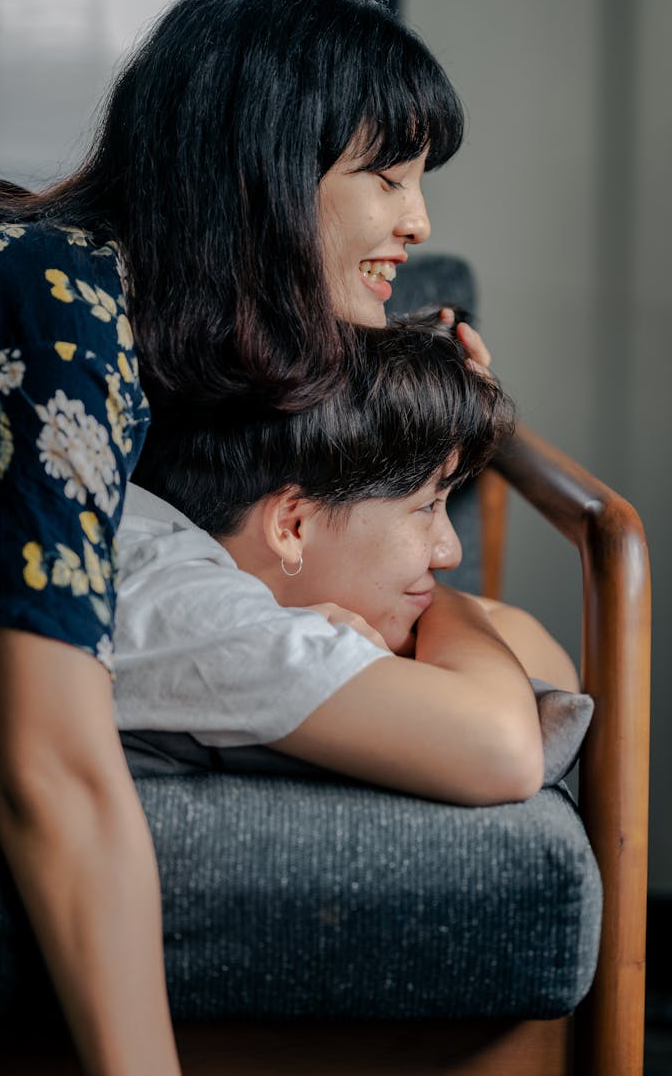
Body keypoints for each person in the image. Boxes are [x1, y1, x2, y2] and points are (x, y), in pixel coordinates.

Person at [0, 0, 492, 1074]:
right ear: (265, 169)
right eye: (387, 176)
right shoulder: (60, 303)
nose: (418, 221)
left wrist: (420, 398)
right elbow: (54, 767)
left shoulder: (147, 324)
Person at [114, 317, 576, 803]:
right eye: (426, 508)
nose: (450, 552)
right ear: (292, 526)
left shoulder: (178, 552)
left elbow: (544, 655)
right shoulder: (196, 614)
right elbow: (505, 749)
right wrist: (448, 606)